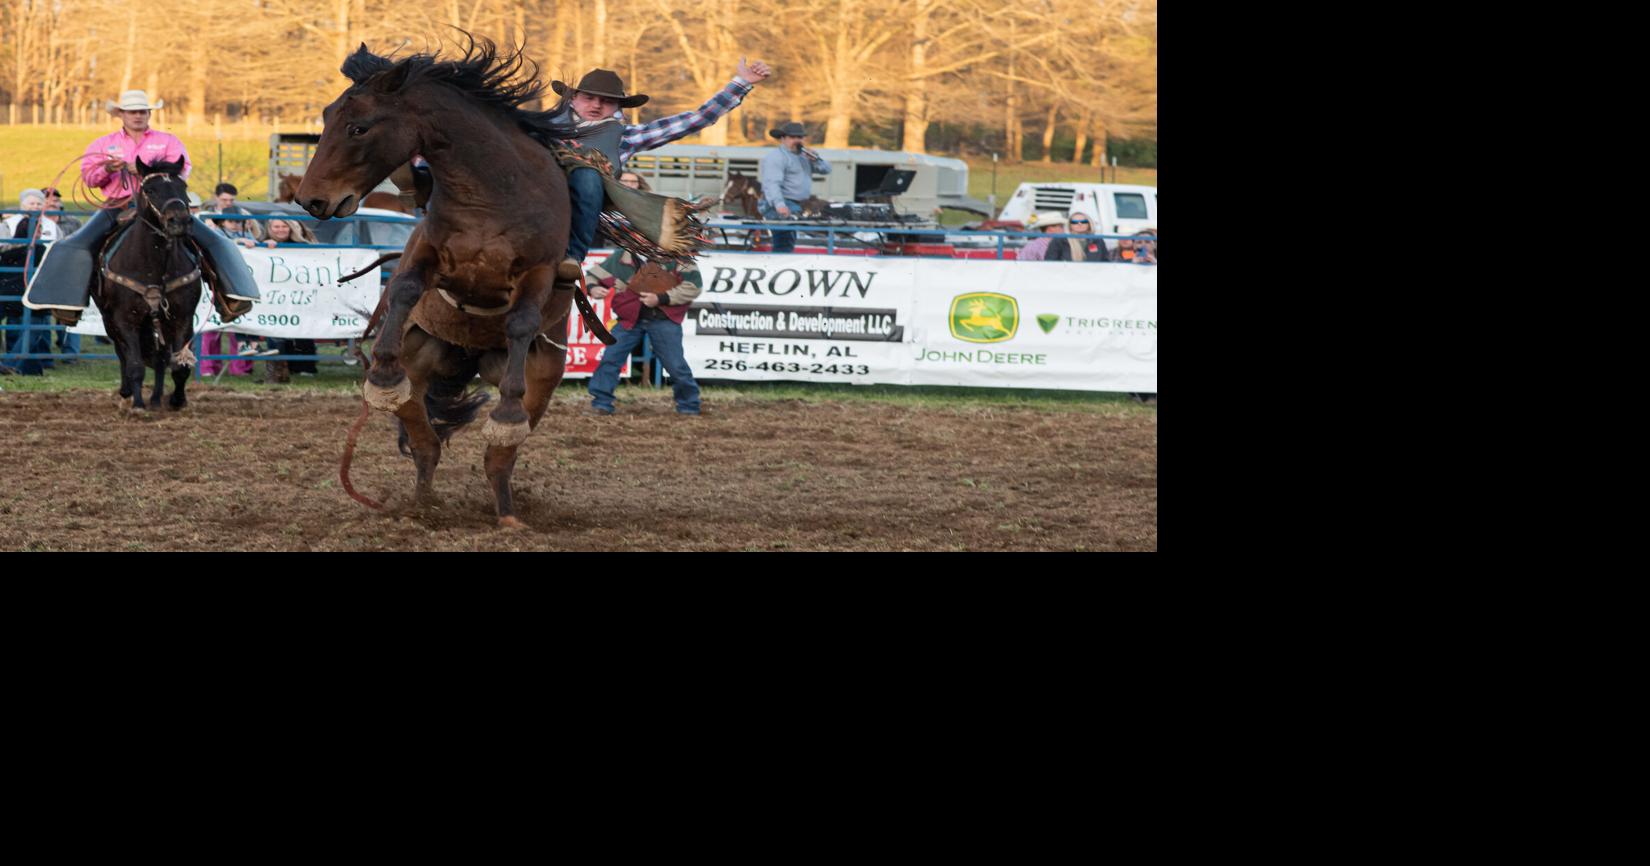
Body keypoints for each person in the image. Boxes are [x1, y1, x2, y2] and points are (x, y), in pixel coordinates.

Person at [20, 90, 258, 327]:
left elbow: (183, 169)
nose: (137, 116)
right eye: (132, 112)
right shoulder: (103, 144)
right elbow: (89, 178)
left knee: (213, 240)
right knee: (77, 242)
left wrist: (147, 171)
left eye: (142, 111)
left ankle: (231, 297)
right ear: (121, 114)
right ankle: (67, 302)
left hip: (160, 204)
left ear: (149, 114)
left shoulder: (168, 141)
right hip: (118, 204)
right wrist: (107, 169)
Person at [547, 59, 771, 279]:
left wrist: (741, 83)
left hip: (582, 201)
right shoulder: (547, 124)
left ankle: (573, 256)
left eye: (606, 101)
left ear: (618, 107)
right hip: (541, 188)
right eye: (589, 98)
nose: (596, 105)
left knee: (587, 175)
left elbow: (696, 119)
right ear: (573, 98)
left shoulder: (625, 136)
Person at [585, 249, 705, 416]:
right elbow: (591, 276)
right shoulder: (622, 255)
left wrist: (661, 298)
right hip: (630, 320)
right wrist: (592, 288)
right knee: (610, 360)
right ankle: (601, 403)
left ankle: (689, 405)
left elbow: (694, 287)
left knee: (675, 365)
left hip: (660, 319)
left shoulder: (677, 257)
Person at [758, 121, 832, 254]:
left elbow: (826, 170)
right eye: (792, 137)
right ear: (783, 139)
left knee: (789, 238)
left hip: (797, 204)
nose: (797, 140)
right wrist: (779, 205)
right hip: (777, 203)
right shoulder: (776, 157)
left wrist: (816, 159)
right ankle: (779, 263)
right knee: (784, 240)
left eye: (800, 137)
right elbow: (772, 184)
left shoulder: (805, 156)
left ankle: (782, 260)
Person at [260, 218, 320, 378]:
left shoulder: (302, 246)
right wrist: (262, 246)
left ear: (290, 228)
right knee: (276, 330)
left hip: (299, 294)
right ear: (270, 228)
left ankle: (306, 366)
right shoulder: (261, 245)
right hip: (273, 295)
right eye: (276, 226)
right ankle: (280, 367)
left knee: (302, 329)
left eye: (284, 226)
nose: (280, 229)